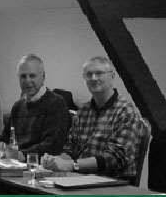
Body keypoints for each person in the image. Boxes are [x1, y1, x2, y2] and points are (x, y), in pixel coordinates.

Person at [43, 56, 146, 184]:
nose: (93, 78)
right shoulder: (83, 111)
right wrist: (55, 161)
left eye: (99, 73)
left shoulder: (126, 112)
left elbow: (114, 159)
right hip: (80, 180)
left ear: (112, 76)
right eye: (89, 74)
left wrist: (72, 165)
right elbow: (71, 149)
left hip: (113, 183)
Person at [0, 54, 70, 158]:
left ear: (43, 77)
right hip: (14, 163)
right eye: (23, 76)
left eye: (32, 76)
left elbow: (53, 146)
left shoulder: (56, 103)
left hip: (39, 165)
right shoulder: (18, 106)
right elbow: (4, 140)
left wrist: (22, 155)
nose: (27, 81)